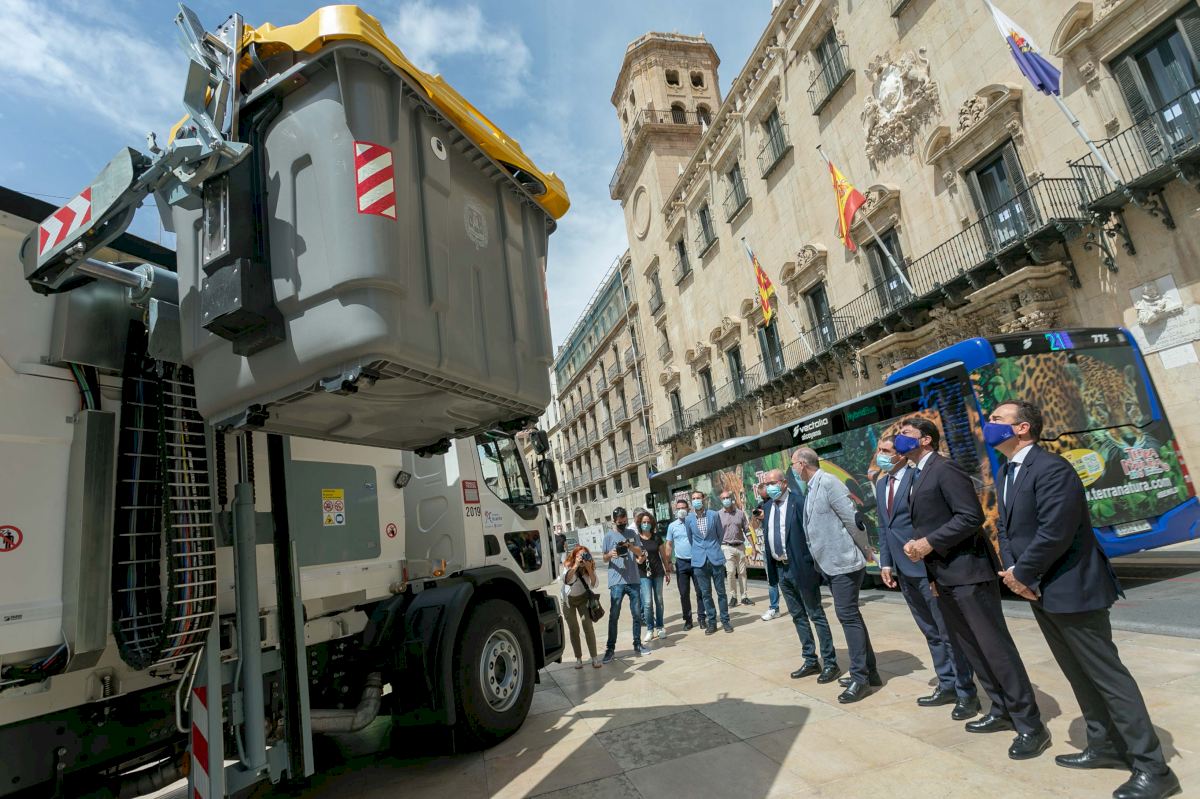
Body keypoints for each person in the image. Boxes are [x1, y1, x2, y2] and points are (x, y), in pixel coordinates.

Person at [988, 401, 1180, 799]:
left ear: (1022, 428)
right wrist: (1015, 571)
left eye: (996, 419)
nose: (988, 424)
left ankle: (1153, 768)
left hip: (1073, 588)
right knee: (1077, 673)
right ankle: (1104, 744)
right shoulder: (1007, 471)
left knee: (1107, 677)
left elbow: (1055, 531)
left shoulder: (1051, 468)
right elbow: (1005, 529)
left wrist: (1022, 574)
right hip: (1040, 590)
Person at [897, 417, 1049, 760]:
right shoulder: (916, 474)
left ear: (925, 439)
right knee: (972, 648)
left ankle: (1030, 724)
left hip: (969, 573)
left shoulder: (944, 469)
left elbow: (969, 517)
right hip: (945, 576)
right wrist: (927, 563)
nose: (899, 439)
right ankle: (1001, 708)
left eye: (905, 434)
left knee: (994, 648)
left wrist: (928, 543)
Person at [874, 435, 980, 720]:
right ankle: (946, 684)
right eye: (879, 450)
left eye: (886, 450)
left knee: (948, 632)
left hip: (926, 566)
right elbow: (884, 527)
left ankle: (966, 692)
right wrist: (886, 562)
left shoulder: (916, 478)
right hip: (903, 569)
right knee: (930, 631)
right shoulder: (881, 484)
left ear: (900, 454)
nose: (880, 455)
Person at [791, 447, 878, 704]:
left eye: (794, 464)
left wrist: (866, 550)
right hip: (829, 563)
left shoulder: (829, 483)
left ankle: (860, 678)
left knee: (847, 616)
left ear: (803, 464)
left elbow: (853, 520)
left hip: (844, 562)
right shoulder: (811, 487)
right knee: (852, 615)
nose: (792, 469)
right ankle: (870, 671)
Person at [762, 468, 839, 683]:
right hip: (781, 570)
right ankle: (810, 659)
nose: (769, 487)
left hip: (802, 569)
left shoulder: (799, 502)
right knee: (797, 616)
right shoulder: (767, 507)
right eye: (766, 484)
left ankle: (830, 662)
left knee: (816, 614)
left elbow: (812, 534)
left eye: (772, 483)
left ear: (784, 483)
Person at [601, 507, 647, 663]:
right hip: (617, 581)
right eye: (619, 522)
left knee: (636, 614)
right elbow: (604, 558)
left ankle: (637, 644)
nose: (622, 524)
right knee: (614, 615)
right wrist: (610, 554)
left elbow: (640, 553)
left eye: (624, 521)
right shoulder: (608, 536)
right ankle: (610, 649)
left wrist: (629, 546)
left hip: (633, 579)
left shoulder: (632, 534)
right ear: (614, 521)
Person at [685, 489, 733, 634]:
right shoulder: (689, 519)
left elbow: (720, 535)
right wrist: (700, 550)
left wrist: (712, 548)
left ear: (704, 499)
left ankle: (725, 621)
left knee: (721, 592)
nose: (696, 501)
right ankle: (712, 622)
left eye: (698, 498)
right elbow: (691, 539)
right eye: (693, 498)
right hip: (699, 561)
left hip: (715, 558)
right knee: (706, 594)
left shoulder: (713, 515)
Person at [665, 497, 706, 630]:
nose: (681, 510)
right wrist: (668, 562)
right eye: (679, 508)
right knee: (684, 593)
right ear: (675, 510)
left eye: (683, 508)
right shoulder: (672, 526)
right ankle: (688, 620)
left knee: (700, 591)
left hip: (696, 561)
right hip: (681, 563)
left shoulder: (694, 521)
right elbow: (669, 544)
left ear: (688, 509)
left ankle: (702, 618)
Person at [562, 545, 602, 669]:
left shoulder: (589, 565)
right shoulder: (568, 565)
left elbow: (595, 584)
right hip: (568, 600)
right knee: (574, 629)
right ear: (574, 556)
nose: (582, 557)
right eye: (579, 555)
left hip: (583, 598)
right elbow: (566, 580)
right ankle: (578, 658)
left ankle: (594, 658)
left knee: (587, 626)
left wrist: (589, 568)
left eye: (585, 554)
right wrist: (575, 566)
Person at [636, 510, 669, 643]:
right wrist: (638, 560)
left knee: (659, 600)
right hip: (643, 574)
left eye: (648, 522)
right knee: (647, 602)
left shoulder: (656, 537)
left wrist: (667, 569)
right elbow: (633, 557)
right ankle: (650, 629)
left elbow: (663, 555)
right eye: (644, 522)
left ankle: (660, 627)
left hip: (658, 572)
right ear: (640, 524)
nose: (646, 524)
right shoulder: (636, 539)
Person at [751, 482, 782, 621]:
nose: (765, 499)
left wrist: (767, 514)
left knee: (790, 579)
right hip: (767, 547)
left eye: (766, 496)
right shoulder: (761, 505)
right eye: (762, 496)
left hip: (781, 546)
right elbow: (754, 526)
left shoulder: (778, 502)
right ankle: (774, 608)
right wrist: (755, 516)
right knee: (772, 580)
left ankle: (801, 605)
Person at [719, 490, 753, 605]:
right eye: (723, 498)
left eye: (727, 497)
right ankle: (733, 596)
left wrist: (752, 546)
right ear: (720, 500)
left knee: (742, 572)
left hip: (740, 546)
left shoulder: (740, 513)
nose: (726, 500)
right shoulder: (718, 515)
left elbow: (747, 530)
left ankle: (744, 597)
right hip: (726, 547)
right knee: (730, 572)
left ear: (731, 498)